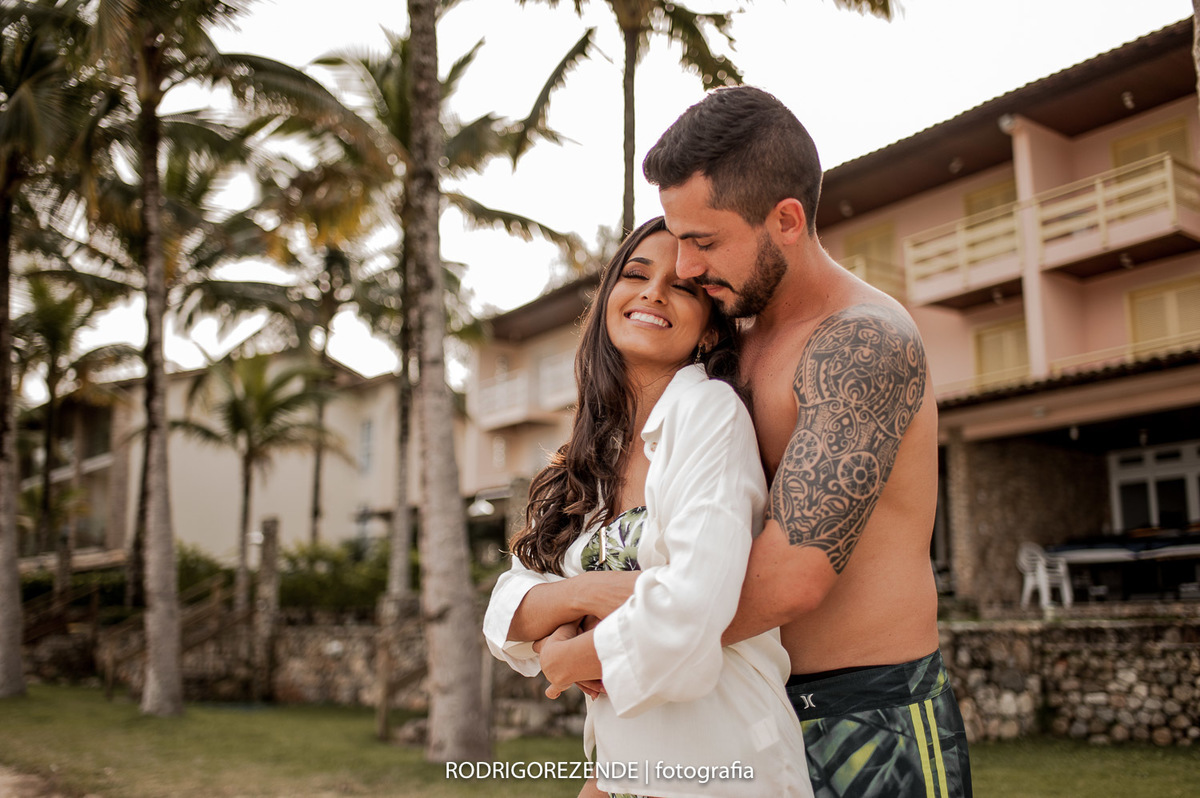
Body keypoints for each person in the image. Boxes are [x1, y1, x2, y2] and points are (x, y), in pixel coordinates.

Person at [638, 85, 973, 798]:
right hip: (744, 702)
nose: (687, 266)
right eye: (679, 238)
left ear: (786, 219)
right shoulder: (730, 341)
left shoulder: (863, 342)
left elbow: (793, 577)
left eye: (704, 241)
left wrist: (611, 642)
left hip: (868, 720)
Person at [484, 217, 814, 798]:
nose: (654, 292)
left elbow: (693, 606)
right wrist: (590, 594)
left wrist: (570, 656)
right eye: (636, 275)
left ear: (709, 331)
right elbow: (508, 606)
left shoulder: (709, 413)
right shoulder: (587, 458)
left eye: (683, 287)